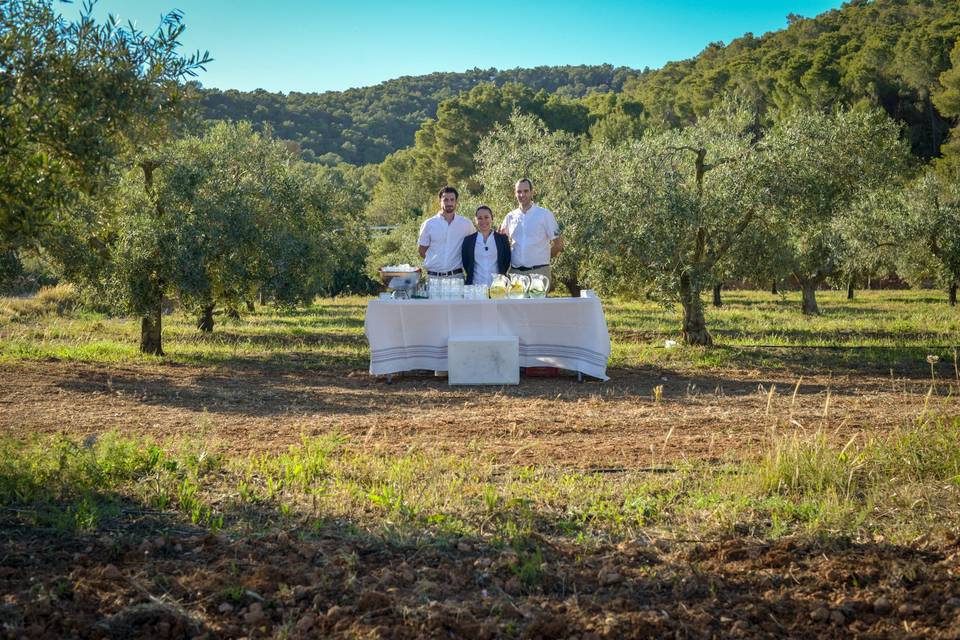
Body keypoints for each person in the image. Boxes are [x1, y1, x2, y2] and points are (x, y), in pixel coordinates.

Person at [498, 178, 563, 282]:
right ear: (515, 193)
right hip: (516, 274)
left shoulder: (545, 215)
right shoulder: (510, 217)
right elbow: (501, 244)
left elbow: (559, 244)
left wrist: (543, 257)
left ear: (532, 192)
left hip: (539, 273)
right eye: (519, 191)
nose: (522, 195)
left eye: (526, 191)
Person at [417, 186, 475, 278]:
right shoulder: (429, 224)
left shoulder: (466, 224)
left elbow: (474, 246)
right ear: (440, 201)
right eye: (445, 200)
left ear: (456, 202)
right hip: (434, 277)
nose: (449, 203)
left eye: (452, 200)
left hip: (456, 277)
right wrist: (437, 261)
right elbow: (422, 251)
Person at [461, 205, 510, 286]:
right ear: (475, 220)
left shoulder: (502, 239)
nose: (483, 221)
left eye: (486, 217)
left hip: (498, 288)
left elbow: (506, 262)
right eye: (480, 218)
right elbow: (466, 263)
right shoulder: (468, 241)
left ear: (492, 218)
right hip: (475, 288)